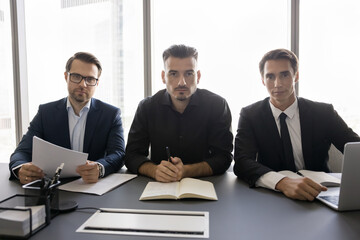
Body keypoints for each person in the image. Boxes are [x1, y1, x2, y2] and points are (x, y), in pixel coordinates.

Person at [234, 48, 360, 201]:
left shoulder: (323, 113)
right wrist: (282, 182)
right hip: (272, 195)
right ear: (262, 80)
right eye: (270, 77)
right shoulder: (250, 116)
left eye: (284, 75)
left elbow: (354, 147)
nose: (277, 84)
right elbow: (242, 162)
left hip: (320, 194)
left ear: (296, 75)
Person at [9, 52, 125, 184]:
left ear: (97, 83)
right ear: (66, 76)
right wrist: (20, 169)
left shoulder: (110, 114)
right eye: (76, 76)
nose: (83, 84)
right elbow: (22, 152)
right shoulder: (45, 113)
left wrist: (100, 168)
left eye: (90, 79)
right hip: (54, 190)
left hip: (93, 187)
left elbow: (119, 154)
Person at [125, 44, 233, 182]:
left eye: (189, 73)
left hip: (207, 185)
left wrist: (185, 171)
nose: (182, 82)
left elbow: (224, 157)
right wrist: (154, 171)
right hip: (159, 185)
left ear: (198, 76)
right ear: (163, 76)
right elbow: (132, 155)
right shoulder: (147, 107)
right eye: (173, 73)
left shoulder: (217, 105)